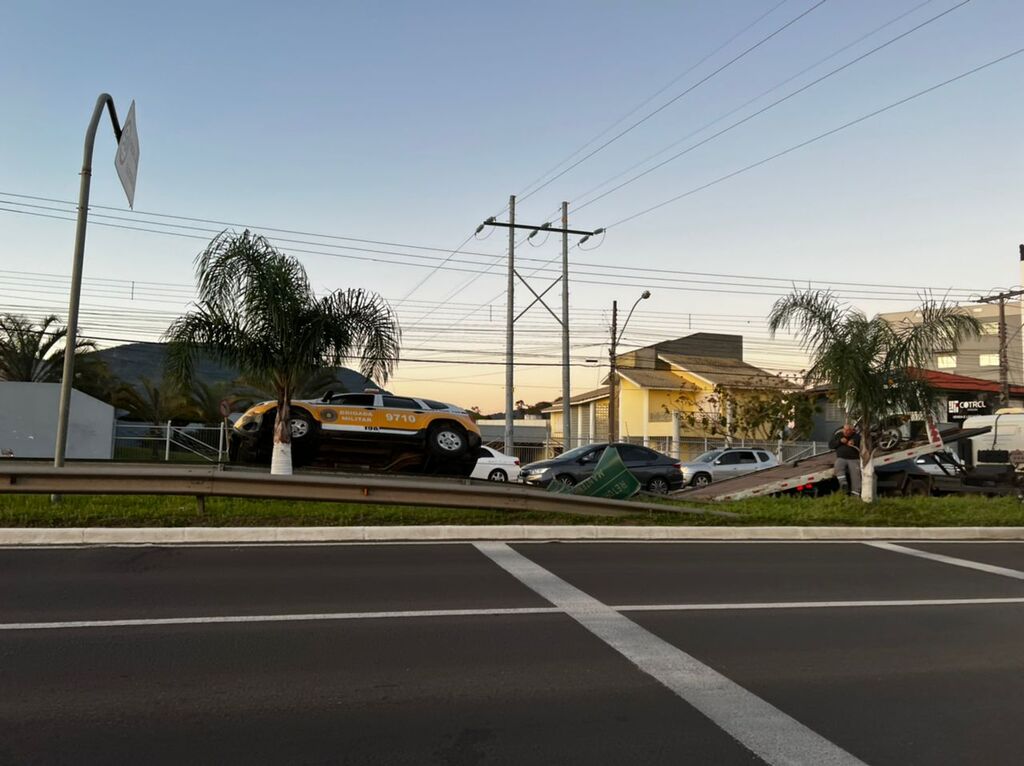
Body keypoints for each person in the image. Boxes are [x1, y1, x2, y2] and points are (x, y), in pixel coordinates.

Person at [829, 424, 862, 496]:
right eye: (845, 430)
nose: (846, 431)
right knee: (838, 466)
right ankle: (843, 483)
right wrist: (840, 441)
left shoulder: (857, 436)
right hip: (841, 458)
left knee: (856, 474)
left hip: (854, 459)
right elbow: (831, 445)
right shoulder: (838, 435)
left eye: (848, 430)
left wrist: (854, 442)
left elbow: (860, 444)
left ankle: (856, 493)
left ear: (852, 431)